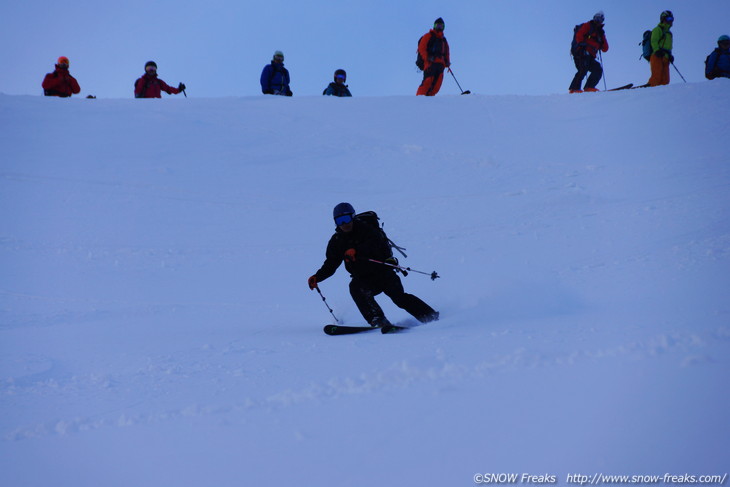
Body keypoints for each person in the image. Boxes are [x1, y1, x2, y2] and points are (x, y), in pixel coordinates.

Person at [308, 203, 439, 327]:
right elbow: (331, 263)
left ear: (353, 217)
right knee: (356, 288)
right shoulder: (336, 241)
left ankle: (430, 316)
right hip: (363, 279)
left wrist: (357, 250)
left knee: (399, 298)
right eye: (339, 221)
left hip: (384, 273)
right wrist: (317, 277)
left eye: (346, 219)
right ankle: (378, 320)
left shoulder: (368, 230)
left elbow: (378, 246)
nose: (344, 224)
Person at [569, 11, 609, 93]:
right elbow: (579, 35)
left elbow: (605, 48)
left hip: (591, 55)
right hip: (582, 52)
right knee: (583, 68)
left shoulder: (600, 32)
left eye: (600, 19)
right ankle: (574, 88)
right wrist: (582, 44)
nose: (598, 20)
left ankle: (589, 87)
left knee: (597, 69)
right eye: (596, 18)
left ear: (602, 20)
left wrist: (601, 37)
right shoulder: (587, 25)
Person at [416, 18, 450, 96]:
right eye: (437, 25)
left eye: (441, 26)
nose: (439, 27)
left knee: (437, 85)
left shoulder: (444, 40)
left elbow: (447, 52)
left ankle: (430, 100)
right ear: (434, 26)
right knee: (428, 81)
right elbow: (422, 48)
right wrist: (427, 57)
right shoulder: (428, 36)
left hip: (440, 64)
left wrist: (447, 62)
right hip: (430, 63)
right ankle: (419, 98)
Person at [647, 10, 674, 87]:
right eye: (669, 19)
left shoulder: (669, 34)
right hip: (657, 56)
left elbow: (669, 46)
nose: (671, 21)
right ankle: (650, 89)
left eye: (672, 19)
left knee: (666, 80)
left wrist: (670, 55)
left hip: (666, 58)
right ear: (663, 19)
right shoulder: (658, 29)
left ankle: (661, 94)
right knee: (656, 76)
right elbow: (654, 41)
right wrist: (656, 50)